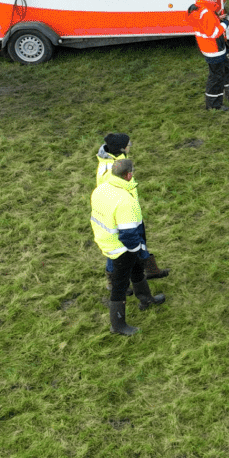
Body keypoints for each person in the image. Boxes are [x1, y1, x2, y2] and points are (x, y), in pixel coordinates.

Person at [89, 155, 166, 336]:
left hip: (106, 239)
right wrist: (139, 250)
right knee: (120, 285)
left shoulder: (101, 189)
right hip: (121, 249)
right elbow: (129, 235)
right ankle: (118, 326)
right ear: (129, 175)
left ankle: (146, 299)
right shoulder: (126, 201)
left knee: (137, 270)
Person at [95, 133, 167, 279]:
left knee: (138, 240)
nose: (130, 146)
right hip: (121, 213)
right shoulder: (112, 168)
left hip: (126, 209)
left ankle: (150, 269)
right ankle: (116, 280)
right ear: (122, 149)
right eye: (129, 144)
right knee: (117, 250)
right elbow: (114, 193)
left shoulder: (113, 160)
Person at [190, 0, 229, 110]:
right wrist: (226, 23)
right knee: (216, 78)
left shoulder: (199, 8)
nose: (216, 0)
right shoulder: (207, 13)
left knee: (223, 72)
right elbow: (214, 33)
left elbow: (204, 26)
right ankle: (214, 105)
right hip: (214, 49)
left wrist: (217, 19)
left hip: (209, 48)